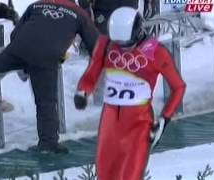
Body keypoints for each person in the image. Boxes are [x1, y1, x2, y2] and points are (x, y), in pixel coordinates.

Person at [74, 7, 186, 180]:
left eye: (128, 44)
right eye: (119, 44)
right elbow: (93, 70)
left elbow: (178, 87)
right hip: (110, 123)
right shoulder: (106, 44)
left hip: (138, 124)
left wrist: (165, 118)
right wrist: (83, 91)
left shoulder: (156, 52)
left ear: (138, 32)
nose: (123, 49)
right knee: (105, 176)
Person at [0, 0, 99, 154]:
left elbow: (16, 32)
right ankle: (48, 143)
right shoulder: (79, 14)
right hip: (46, 56)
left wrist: (21, 54)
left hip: (18, 48)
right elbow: (96, 45)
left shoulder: (37, 5)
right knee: (46, 102)